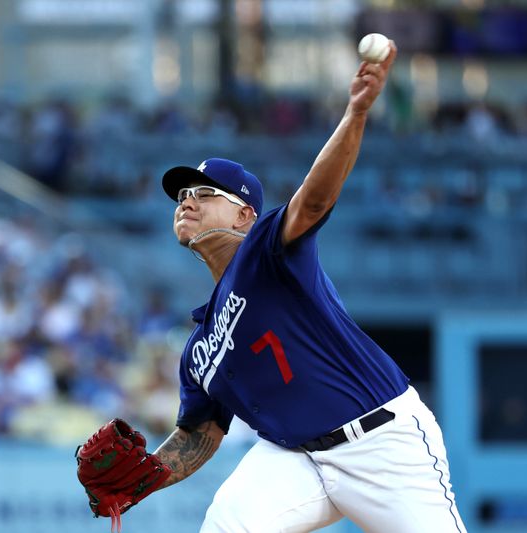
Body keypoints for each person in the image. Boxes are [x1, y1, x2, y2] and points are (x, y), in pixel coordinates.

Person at [153, 42, 467, 533]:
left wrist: (357, 112)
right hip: (295, 458)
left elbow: (315, 202)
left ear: (245, 213)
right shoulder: (199, 348)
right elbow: (200, 434)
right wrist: (137, 481)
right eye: (182, 196)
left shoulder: (268, 252)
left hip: (381, 443)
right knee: (225, 526)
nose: (187, 203)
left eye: (204, 194)